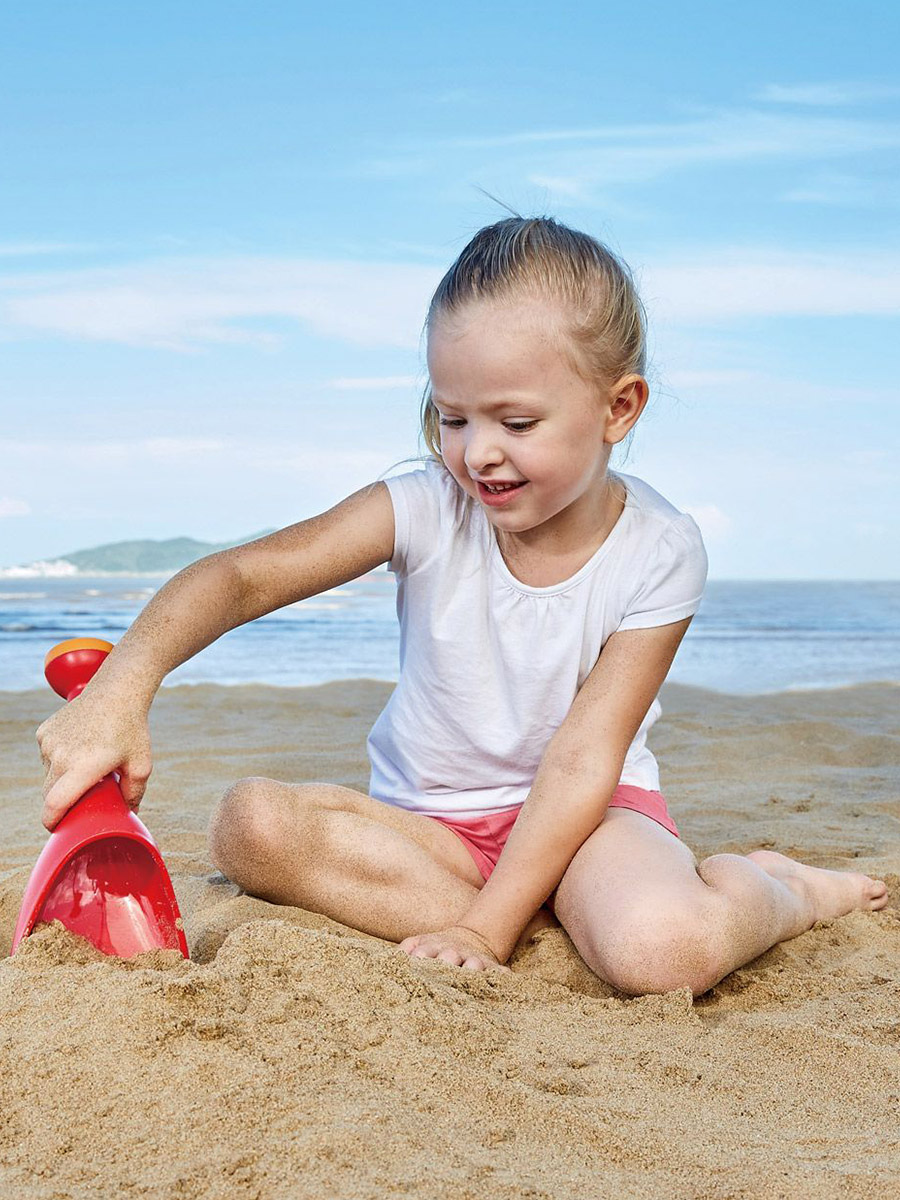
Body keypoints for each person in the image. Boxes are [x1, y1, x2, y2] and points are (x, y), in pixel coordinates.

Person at [36, 217, 887, 995]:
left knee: (664, 953)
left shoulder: (660, 548)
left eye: (516, 422)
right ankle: (551, 916)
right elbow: (245, 577)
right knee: (249, 825)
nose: (478, 454)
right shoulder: (424, 504)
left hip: (593, 823)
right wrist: (123, 685)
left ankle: (785, 890)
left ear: (617, 407)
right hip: (436, 835)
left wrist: (483, 930)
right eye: (452, 418)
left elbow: (582, 759)